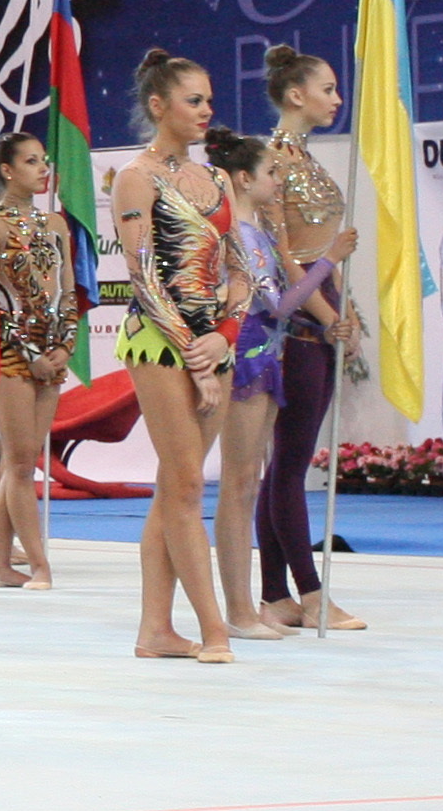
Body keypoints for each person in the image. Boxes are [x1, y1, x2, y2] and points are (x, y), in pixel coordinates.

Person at [107, 50, 241, 665]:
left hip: (214, 341)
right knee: (186, 485)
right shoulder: (137, 177)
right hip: (163, 342)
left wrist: (227, 334)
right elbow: (142, 275)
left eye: (209, 100)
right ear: (159, 106)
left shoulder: (215, 180)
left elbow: (241, 267)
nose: (207, 111)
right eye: (194, 101)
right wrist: (195, 355)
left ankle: (155, 631)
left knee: (173, 489)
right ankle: (213, 629)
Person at [210, 130, 334, 645]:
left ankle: (248, 603)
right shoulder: (235, 234)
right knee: (238, 483)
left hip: (265, 354)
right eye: (272, 174)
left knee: (248, 483)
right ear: (244, 179)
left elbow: (279, 303)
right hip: (245, 354)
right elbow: (280, 306)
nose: (279, 181)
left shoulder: (257, 232)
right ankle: (238, 608)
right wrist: (329, 263)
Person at [258, 45, 364, 629]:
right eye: (328, 88)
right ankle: (310, 590)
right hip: (294, 324)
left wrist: (345, 312)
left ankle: (276, 595)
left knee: (287, 466)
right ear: (296, 95)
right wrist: (326, 316)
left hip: (322, 316)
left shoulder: (312, 161)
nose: (337, 99)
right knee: (291, 465)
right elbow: (281, 257)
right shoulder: (271, 162)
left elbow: (323, 249)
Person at [0, 135, 79, 593]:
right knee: (20, 464)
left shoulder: (55, 223)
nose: (43, 168)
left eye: (45, 159)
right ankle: (40, 564)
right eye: (30, 161)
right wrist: (30, 354)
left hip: (51, 349)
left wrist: (65, 346)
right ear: (6, 170)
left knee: (21, 464)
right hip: (11, 352)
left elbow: (69, 290)